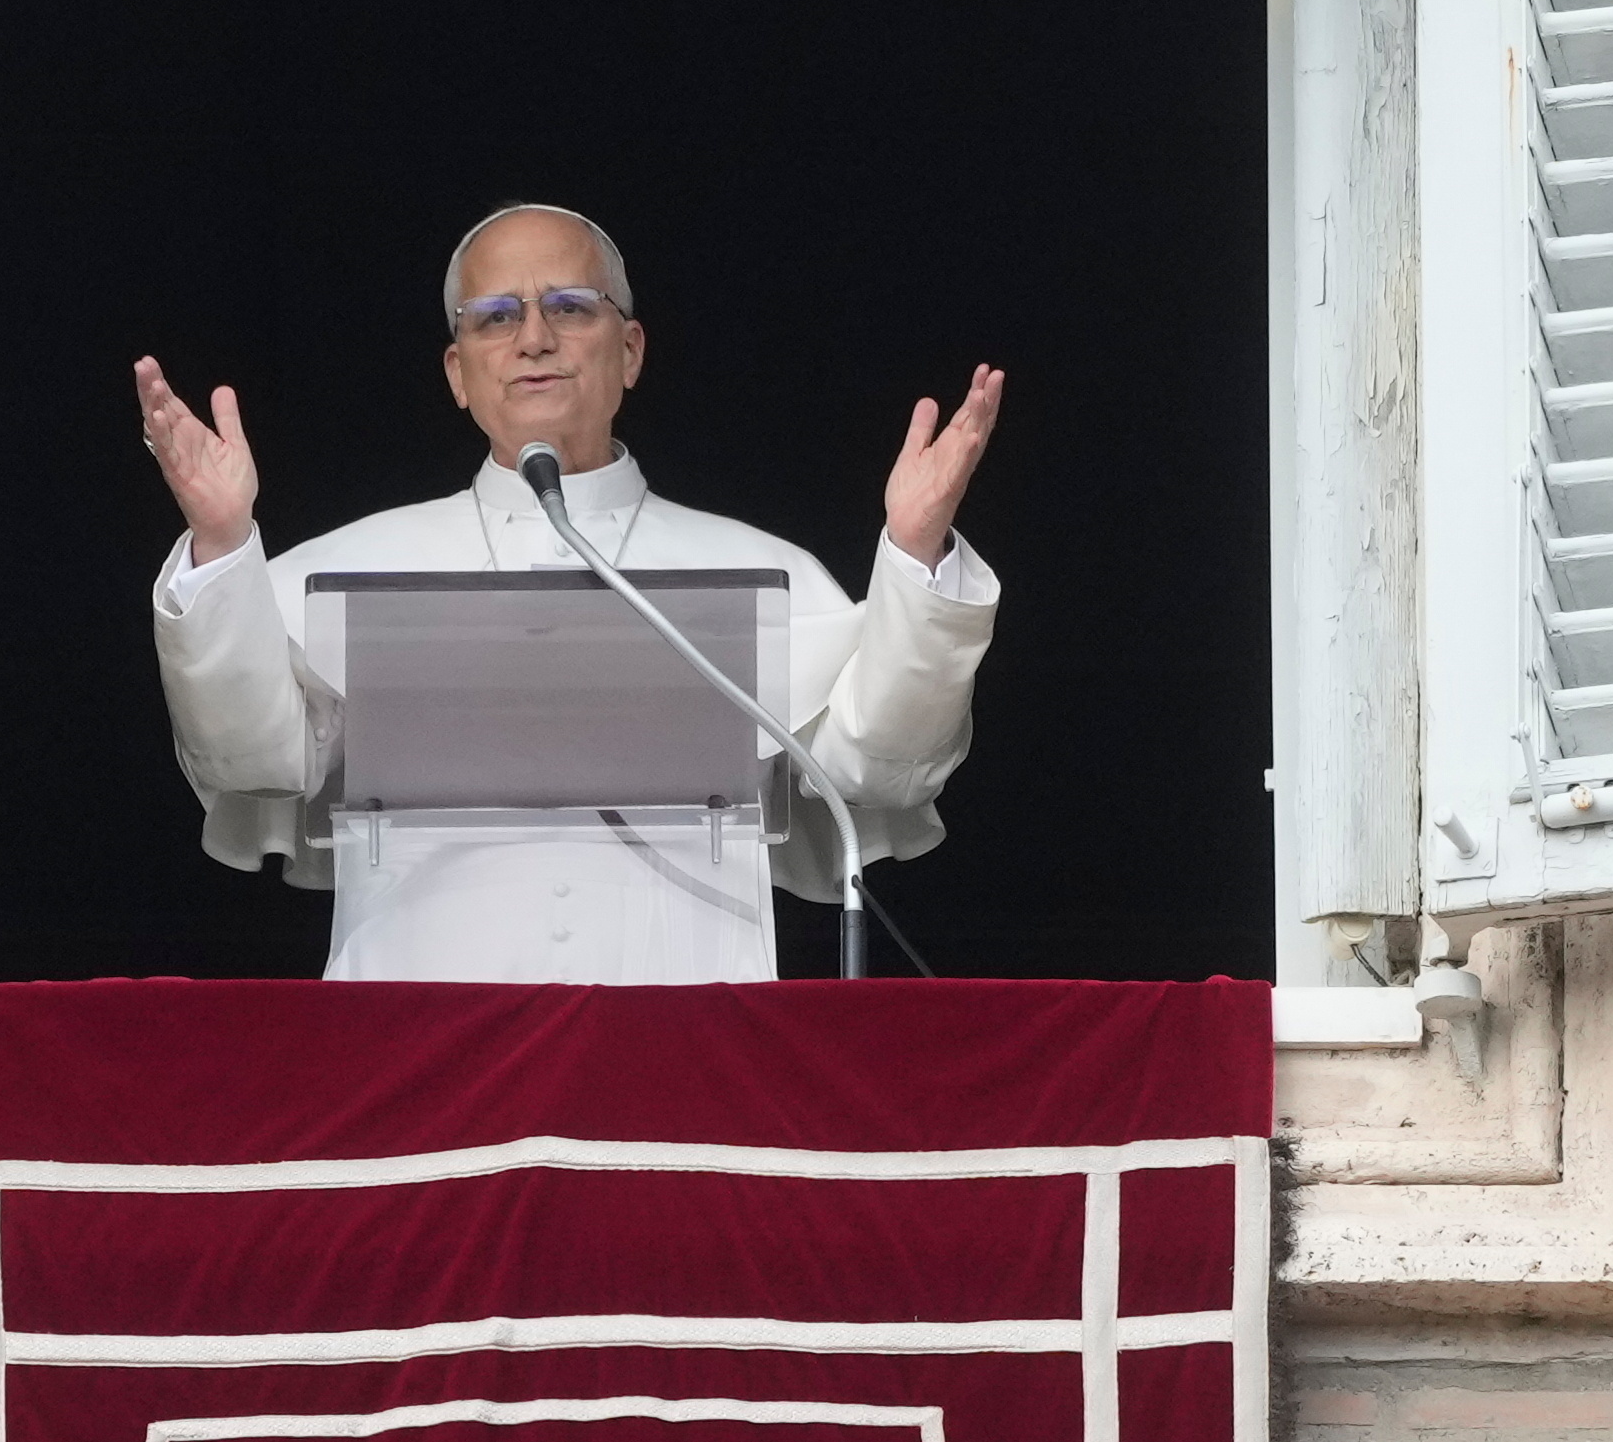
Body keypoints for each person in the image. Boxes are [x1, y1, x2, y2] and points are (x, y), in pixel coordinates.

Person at [140, 203, 1001, 984]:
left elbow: (879, 767)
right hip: (417, 1042)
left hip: (684, 1036)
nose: (533, 338)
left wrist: (915, 551)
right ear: (457, 372)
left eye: (570, 306)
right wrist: (222, 547)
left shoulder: (759, 569)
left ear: (630, 351)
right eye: (495, 315)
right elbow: (249, 758)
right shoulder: (349, 567)